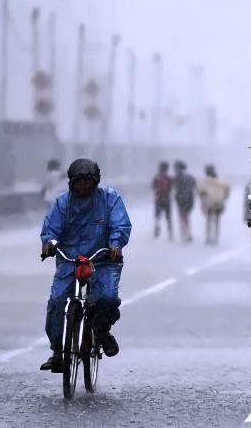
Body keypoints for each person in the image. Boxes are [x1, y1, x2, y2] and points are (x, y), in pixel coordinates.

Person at [39, 158, 132, 372]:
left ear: (96, 181)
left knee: (106, 299)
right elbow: (51, 229)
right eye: (79, 181)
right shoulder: (63, 203)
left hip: (103, 259)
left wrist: (115, 244)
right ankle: (58, 351)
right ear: (71, 182)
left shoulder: (110, 199)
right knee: (57, 301)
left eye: (87, 181)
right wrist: (49, 243)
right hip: (70, 260)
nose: (83, 186)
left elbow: (120, 224)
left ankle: (102, 331)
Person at [199, 164, 230, 245]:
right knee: (216, 221)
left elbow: (202, 193)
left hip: (209, 203)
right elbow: (226, 191)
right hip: (218, 203)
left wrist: (204, 201)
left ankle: (209, 237)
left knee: (209, 220)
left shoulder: (206, 181)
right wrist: (223, 198)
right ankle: (214, 237)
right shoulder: (220, 180)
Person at [173, 161, 197, 243]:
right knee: (186, 217)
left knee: (182, 216)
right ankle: (188, 233)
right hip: (189, 199)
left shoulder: (178, 177)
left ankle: (184, 233)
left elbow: (177, 188)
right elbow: (194, 185)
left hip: (181, 200)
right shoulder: (190, 176)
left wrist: (178, 197)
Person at [152, 161, 174, 240]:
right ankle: (170, 232)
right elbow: (171, 188)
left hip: (158, 199)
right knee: (168, 217)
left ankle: (157, 228)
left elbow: (153, 187)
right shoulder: (168, 178)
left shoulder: (156, 177)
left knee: (158, 216)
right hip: (166, 199)